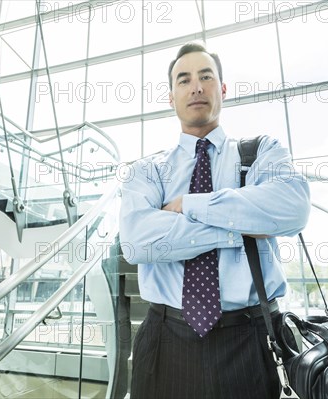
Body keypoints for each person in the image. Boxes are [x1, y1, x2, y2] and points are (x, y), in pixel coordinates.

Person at [119, 42, 310, 399]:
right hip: (164, 339)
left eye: (206, 77)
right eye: (184, 79)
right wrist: (239, 224)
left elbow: (292, 209)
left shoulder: (261, 152)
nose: (196, 87)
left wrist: (189, 205)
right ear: (171, 96)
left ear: (222, 89)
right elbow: (136, 241)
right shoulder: (148, 171)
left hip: (250, 338)